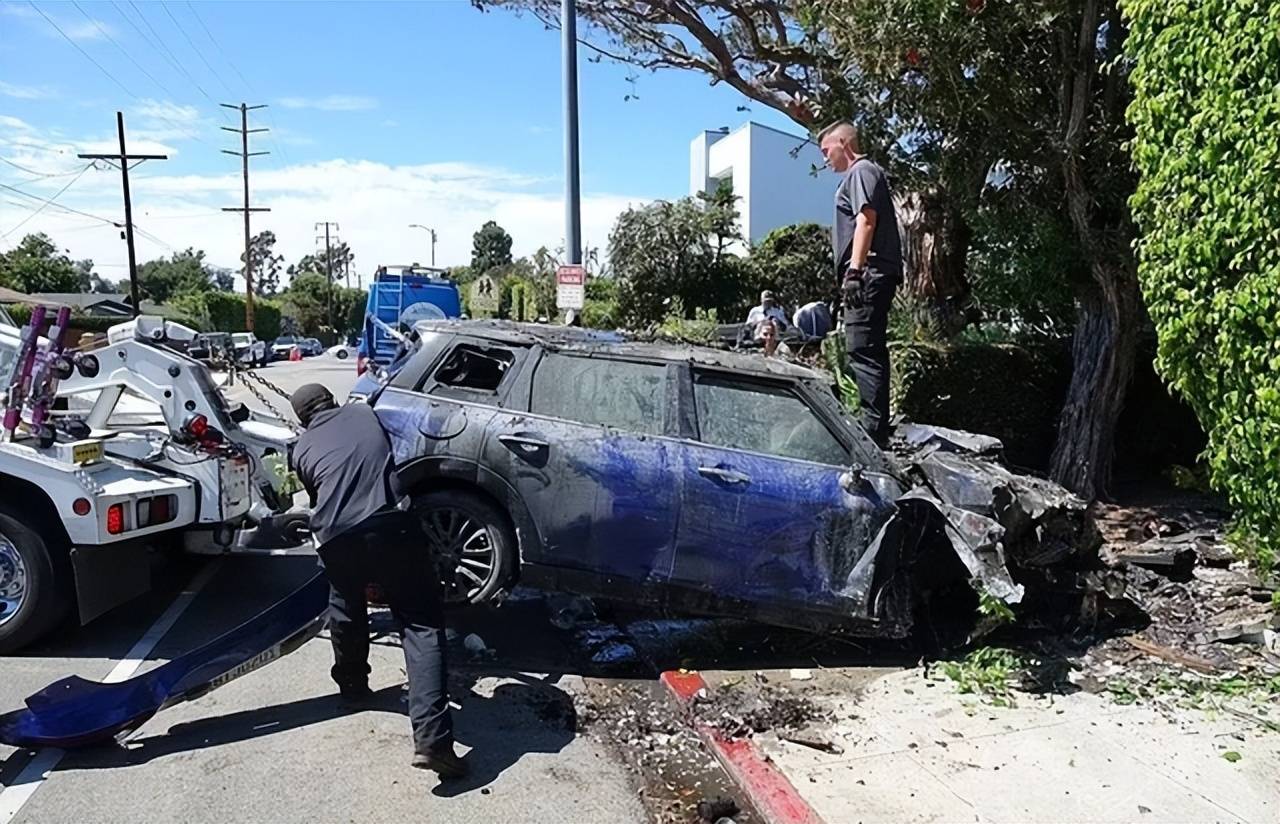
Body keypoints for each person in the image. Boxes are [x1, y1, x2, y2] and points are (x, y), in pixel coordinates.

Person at [289, 384, 467, 779]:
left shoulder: (299, 449)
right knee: (420, 624)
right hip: (387, 525)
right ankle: (433, 741)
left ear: (303, 419)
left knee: (345, 604)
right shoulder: (362, 412)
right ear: (331, 401)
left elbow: (321, 494)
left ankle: (352, 686)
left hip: (335, 538)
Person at [818, 121, 902, 446]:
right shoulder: (861, 174)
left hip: (869, 273)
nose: (825, 159)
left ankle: (873, 436)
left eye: (827, 151)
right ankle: (876, 428)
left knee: (862, 349)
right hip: (871, 272)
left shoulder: (861, 171)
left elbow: (866, 219)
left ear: (843, 142)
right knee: (867, 349)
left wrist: (854, 272)